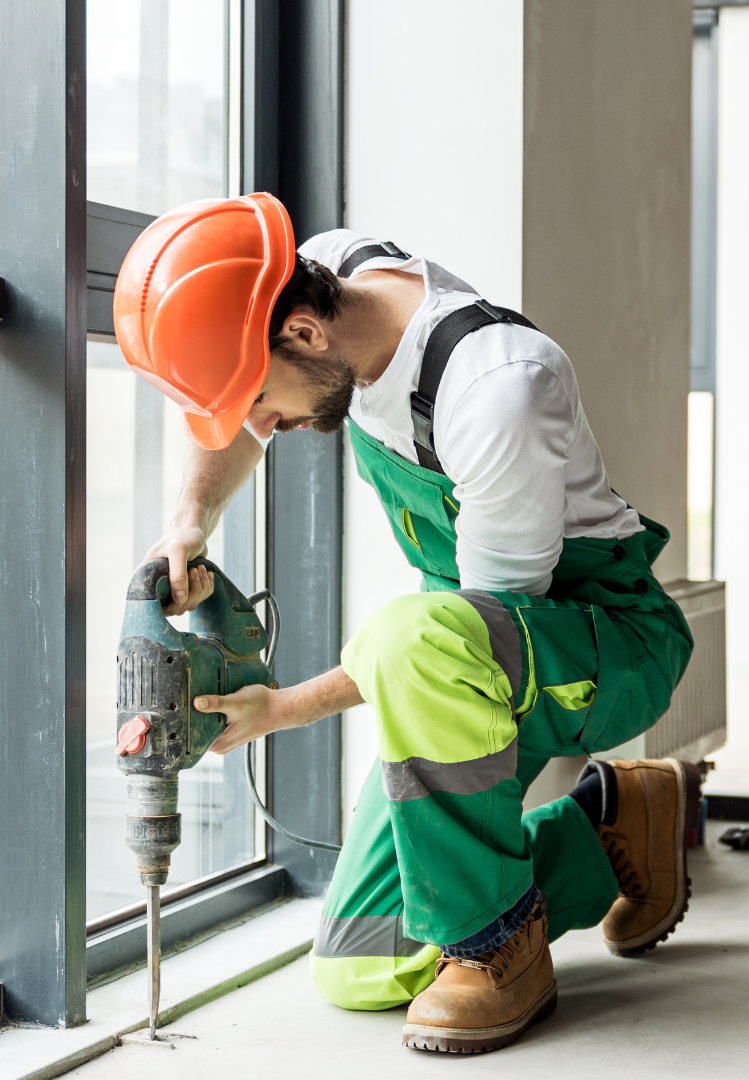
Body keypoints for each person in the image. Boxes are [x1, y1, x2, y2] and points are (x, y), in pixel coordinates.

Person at [113, 194, 696, 1053]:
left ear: (307, 333)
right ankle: (613, 826)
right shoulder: (323, 275)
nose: (267, 426)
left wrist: (283, 709)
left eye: (264, 400)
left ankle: (498, 951)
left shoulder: (499, 389)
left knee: (409, 638)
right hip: (457, 656)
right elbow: (242, 412)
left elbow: (478, 622)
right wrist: (189, 521)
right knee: (360, 964)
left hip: (597, 640)